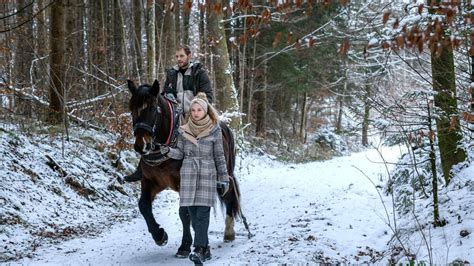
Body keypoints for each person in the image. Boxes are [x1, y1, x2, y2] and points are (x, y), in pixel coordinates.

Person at [124, 45, 213, 182]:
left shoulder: (199, 73)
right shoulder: (172, 73)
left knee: (198, 138)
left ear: (189, 56)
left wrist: (197, 107)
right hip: (176, 110)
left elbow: (207, 95)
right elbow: (167, 90)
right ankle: (142, 168)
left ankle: (206, 171)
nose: (179, 59)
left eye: (182, 56)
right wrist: (169, 95)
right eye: (177, 56)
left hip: (194, 112)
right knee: (153, 126)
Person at [166, 93, 230, 264]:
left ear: (205, 111)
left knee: (202, 213)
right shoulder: (183, 130)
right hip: (188, 174)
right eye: (193, 110)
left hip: (206, 173)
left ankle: (199, 249)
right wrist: (167, 151)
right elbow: (179, 153)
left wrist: (224, 178)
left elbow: (219, 156)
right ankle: (206, 248)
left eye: (199, 110)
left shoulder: (214, 129)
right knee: (192, 214)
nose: (195, 113)